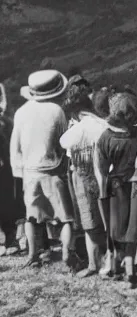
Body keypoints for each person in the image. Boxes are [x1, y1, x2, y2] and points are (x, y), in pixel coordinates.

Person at [10, 70, 76, 269]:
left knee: (32, 217)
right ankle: (67, 252)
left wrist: (20, 171)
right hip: (54, 169)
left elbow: (15, 146)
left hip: (30, 171)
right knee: (66, 217)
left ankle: (33, 255)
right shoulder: (57, 111)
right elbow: (64, 142)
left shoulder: (21, 113)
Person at [60, 79, 110, 277]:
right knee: (107, 221)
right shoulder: (102, 125)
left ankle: (93, 263)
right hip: (104, 175)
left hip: (82, 176)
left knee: (89, 223)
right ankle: (110, 260)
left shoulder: (76, 130)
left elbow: (66, 148)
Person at [94, 91, 137, 284]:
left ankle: (116, 264)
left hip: (116, 184)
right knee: (134, 225)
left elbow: (101, 166)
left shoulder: (106, 137)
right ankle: (131, 265)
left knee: (116, 226)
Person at [0, 83, 24, 256]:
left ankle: (10, 239)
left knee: (7, 202)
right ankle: (8, 240)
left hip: (5, 168)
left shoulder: (6, 123)